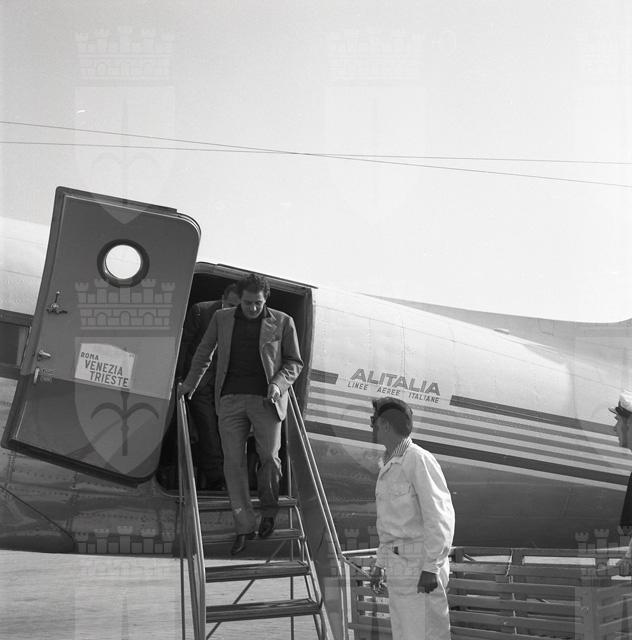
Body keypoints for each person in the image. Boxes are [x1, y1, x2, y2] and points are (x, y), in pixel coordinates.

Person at [179, 273, 303, 555]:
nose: (253, 308)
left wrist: (278, 383)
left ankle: (269, 510)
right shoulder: (221, 318)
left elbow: (294, 362)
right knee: (232, 464)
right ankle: (244, 526)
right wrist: (189, 385)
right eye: (248, 303)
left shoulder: (283, 321)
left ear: (265, 299)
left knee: (269, 457)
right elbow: (204, 353)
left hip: (267, 401)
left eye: (258, 303)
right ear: (239, 299)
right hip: (230, 400)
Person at [368, 396, 454, 640]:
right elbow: (389, 526)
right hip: (400, 570)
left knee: (427, 633)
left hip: (420, 567)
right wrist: (380, 564)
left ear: (385, 425)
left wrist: (431, 567)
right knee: (405, 635)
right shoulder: (388, 464)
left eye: (373, 421)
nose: (371, 426)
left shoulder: (418, 459)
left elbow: (439, 516)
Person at [177, 283, 241, 490]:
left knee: (225, 431)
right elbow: (184, 345)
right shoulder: (201, 311)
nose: (233, 311)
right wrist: (180, 377)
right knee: (208, 429)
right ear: (222, 298)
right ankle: (217, 478)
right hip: (199, 383)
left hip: (223, 386)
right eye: (230, 305)